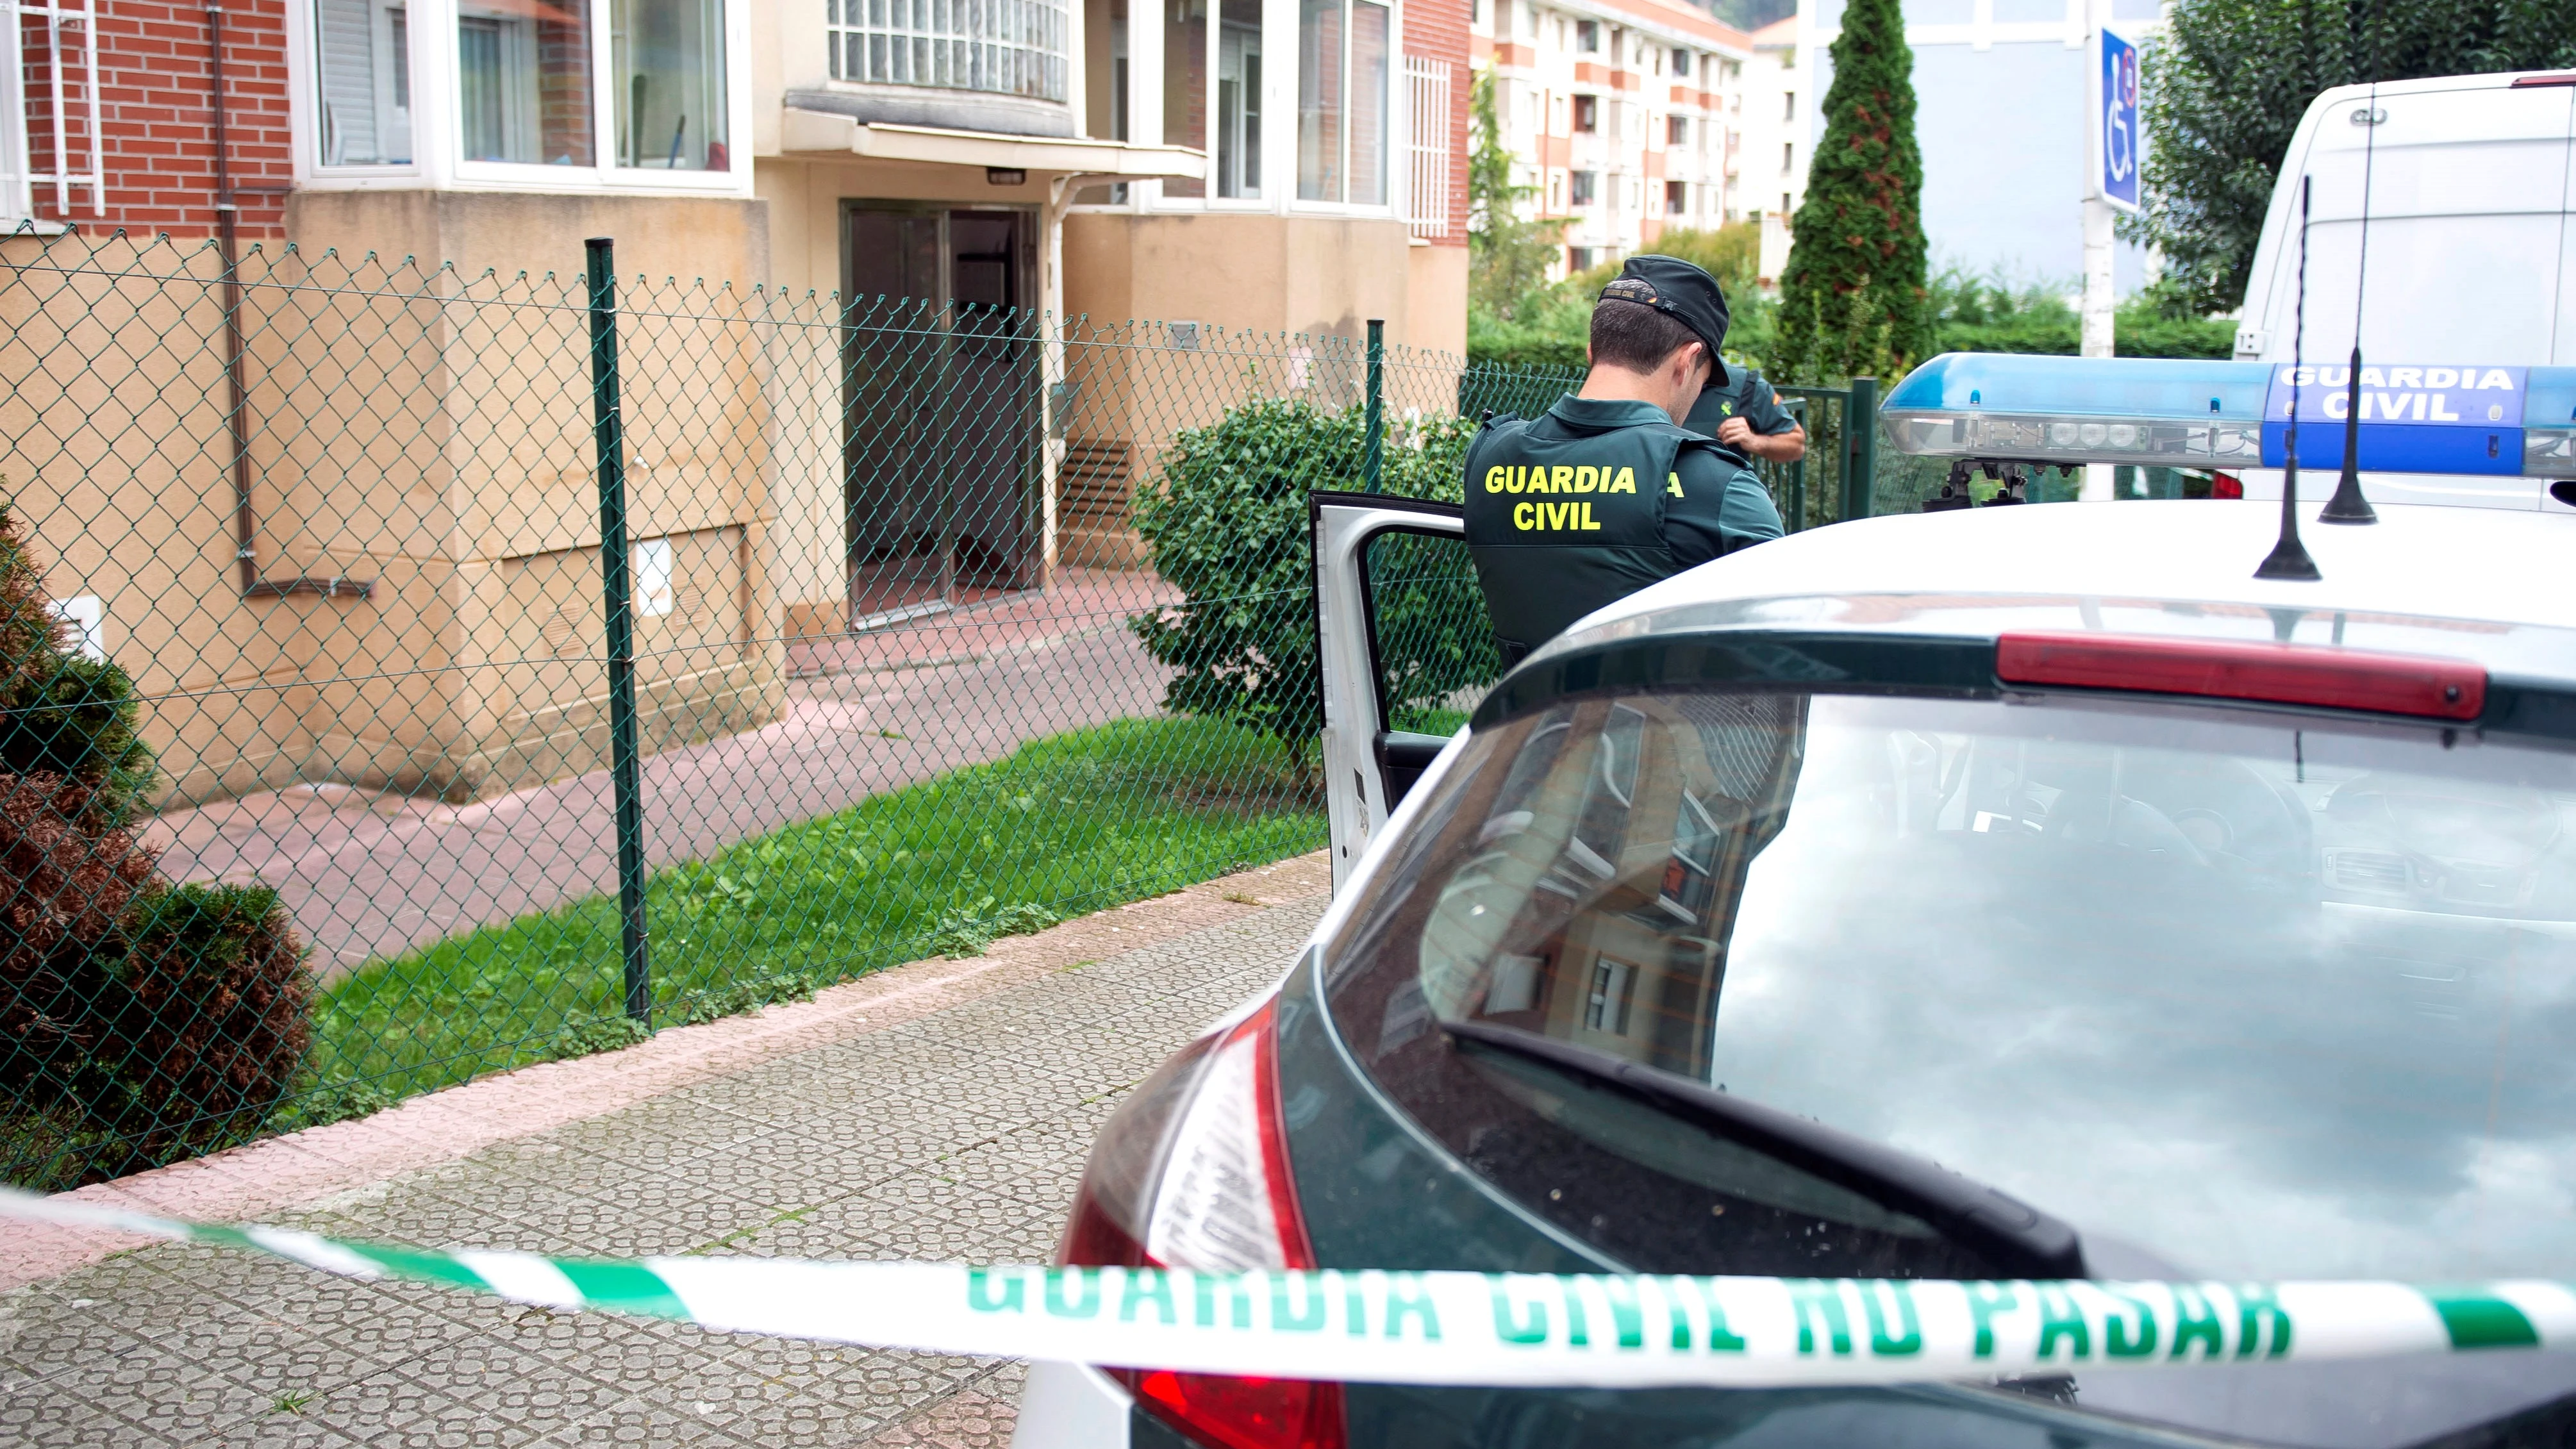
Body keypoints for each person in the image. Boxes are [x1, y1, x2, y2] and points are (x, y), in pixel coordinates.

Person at [1462, 256, 1782, 665]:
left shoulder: (1489, 454)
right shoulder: (1717, 483)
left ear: (1592, 351)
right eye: (1704, 381)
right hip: (1668, 728)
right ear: (1687, 361)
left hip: (1524, 725)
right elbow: (1778, 649)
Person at [1683, 360, 1807, 463]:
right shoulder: (1665, 379)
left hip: (1726, 489)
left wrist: (1754, 441)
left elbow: (1796, 445)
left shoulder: (1746, 386)